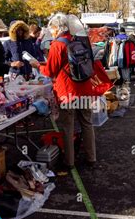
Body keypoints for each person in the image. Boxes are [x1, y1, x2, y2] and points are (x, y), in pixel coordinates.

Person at [30, 13, 96, 169]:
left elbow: (50, 71)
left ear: (57, 28)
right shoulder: (77, 40)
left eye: (52, 28)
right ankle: (91, 158)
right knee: (87, 123)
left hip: (67, 92)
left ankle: (69, 162)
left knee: (68, 127)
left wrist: (37, 65)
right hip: (84, 89)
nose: (51, 31)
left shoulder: (57, 44)